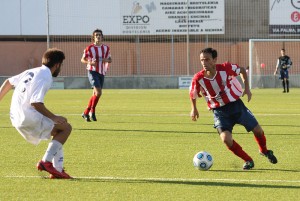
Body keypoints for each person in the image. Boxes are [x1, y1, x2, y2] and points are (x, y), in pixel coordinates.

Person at [189, 47, 278, 170]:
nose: (204, 63)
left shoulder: (225, 68)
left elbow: (241, 70)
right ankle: (248, 160)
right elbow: (192, 93)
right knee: (226, 139)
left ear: (214, 60)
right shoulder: (198, 78)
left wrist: (247, 88)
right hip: (219, 112)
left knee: (258, 130)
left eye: (207, 59)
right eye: (202, 60)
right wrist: (194, 109)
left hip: (236, 106)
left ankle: (264, 150)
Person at [0, 48, 72, 179]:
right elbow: (35, 102)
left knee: (59, 130)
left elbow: (8, 82)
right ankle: (46, 162)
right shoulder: (46, 76)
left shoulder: (31, 71)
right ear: (57, 65)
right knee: (66, 128)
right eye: (61, 65)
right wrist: (53, 117)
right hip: (28, 116)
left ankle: (57, 170)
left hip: (15, 117)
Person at [81, 29, 112, 122]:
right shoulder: (89, 48)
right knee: (98, 92)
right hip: (92, 71)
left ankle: (86, 113)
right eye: (96, 35)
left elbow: (110, 59)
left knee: (95, 94)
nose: (98, 36)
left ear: (102, 37)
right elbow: (82, 59)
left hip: (101, 72)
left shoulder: (106, 48)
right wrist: (90, 62)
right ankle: (91, 112)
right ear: (93, 37)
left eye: (99, 35)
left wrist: (104, 60)